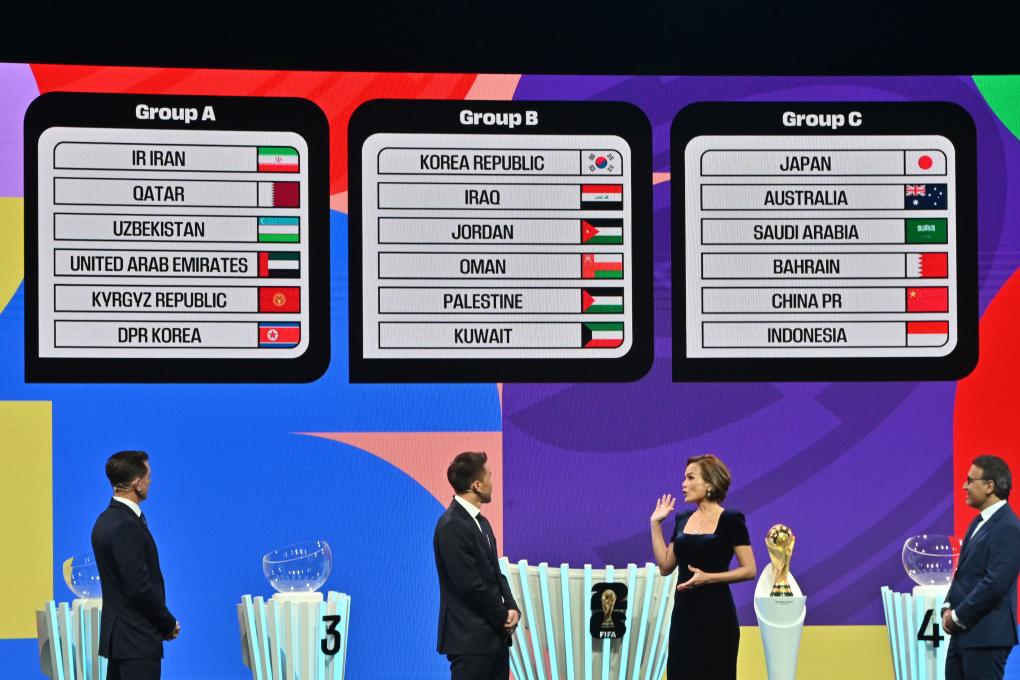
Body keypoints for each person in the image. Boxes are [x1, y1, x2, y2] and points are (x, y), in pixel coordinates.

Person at [650, 454, 756, 680]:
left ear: (709, 484)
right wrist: (655, 524)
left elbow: (749, 570)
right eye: (684, 478)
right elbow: (665, 566)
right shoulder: (682, 519)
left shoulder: (731, 519)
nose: (683, 484)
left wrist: (708, 577)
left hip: (716, 616)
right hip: (684, 618)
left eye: (690, 478)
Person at [91, 451, 179, 680]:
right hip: (136, 640)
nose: (151, 481)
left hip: (121, 641)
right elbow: (138, 587)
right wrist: (167, 622)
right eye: (148, 476)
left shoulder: (105, 521)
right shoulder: (125, 525)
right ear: (136, 483)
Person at [434, 451, 521, 680]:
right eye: (489, 476)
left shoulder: (482, 523)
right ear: (477, 485)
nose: (492, 482)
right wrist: (502, 616)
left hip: (495, 638)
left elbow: (495, 572)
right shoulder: (451, 525)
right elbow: (469, 585)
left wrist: (512, 606)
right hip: (469, 641)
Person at [942, 455, 1020, 680]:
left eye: (970, 480)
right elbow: (963, 574)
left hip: (987, 637)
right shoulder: (978, 522)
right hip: (963, 634)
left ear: (989, 486)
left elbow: (994, 584)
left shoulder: (1009, 528)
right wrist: (947, 605)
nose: (964, 486)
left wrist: (957, 616)